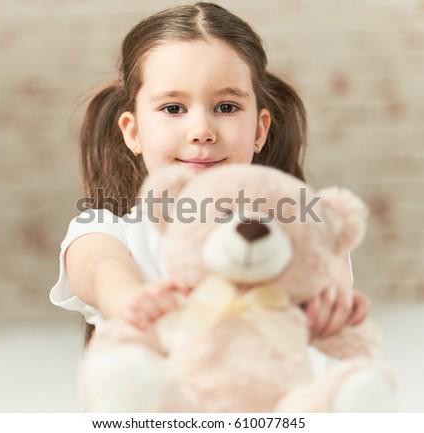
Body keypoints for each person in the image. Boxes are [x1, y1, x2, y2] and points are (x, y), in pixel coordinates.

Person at [50, 2, 370, 350]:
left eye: (226, 107)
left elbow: (327, 261)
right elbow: (100, 268)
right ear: (133, 132)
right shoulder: (106, 232)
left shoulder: (298, 225)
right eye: (173, 108)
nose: (201, 130)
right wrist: (133, 301)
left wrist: (330, 299)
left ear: (260, 129)